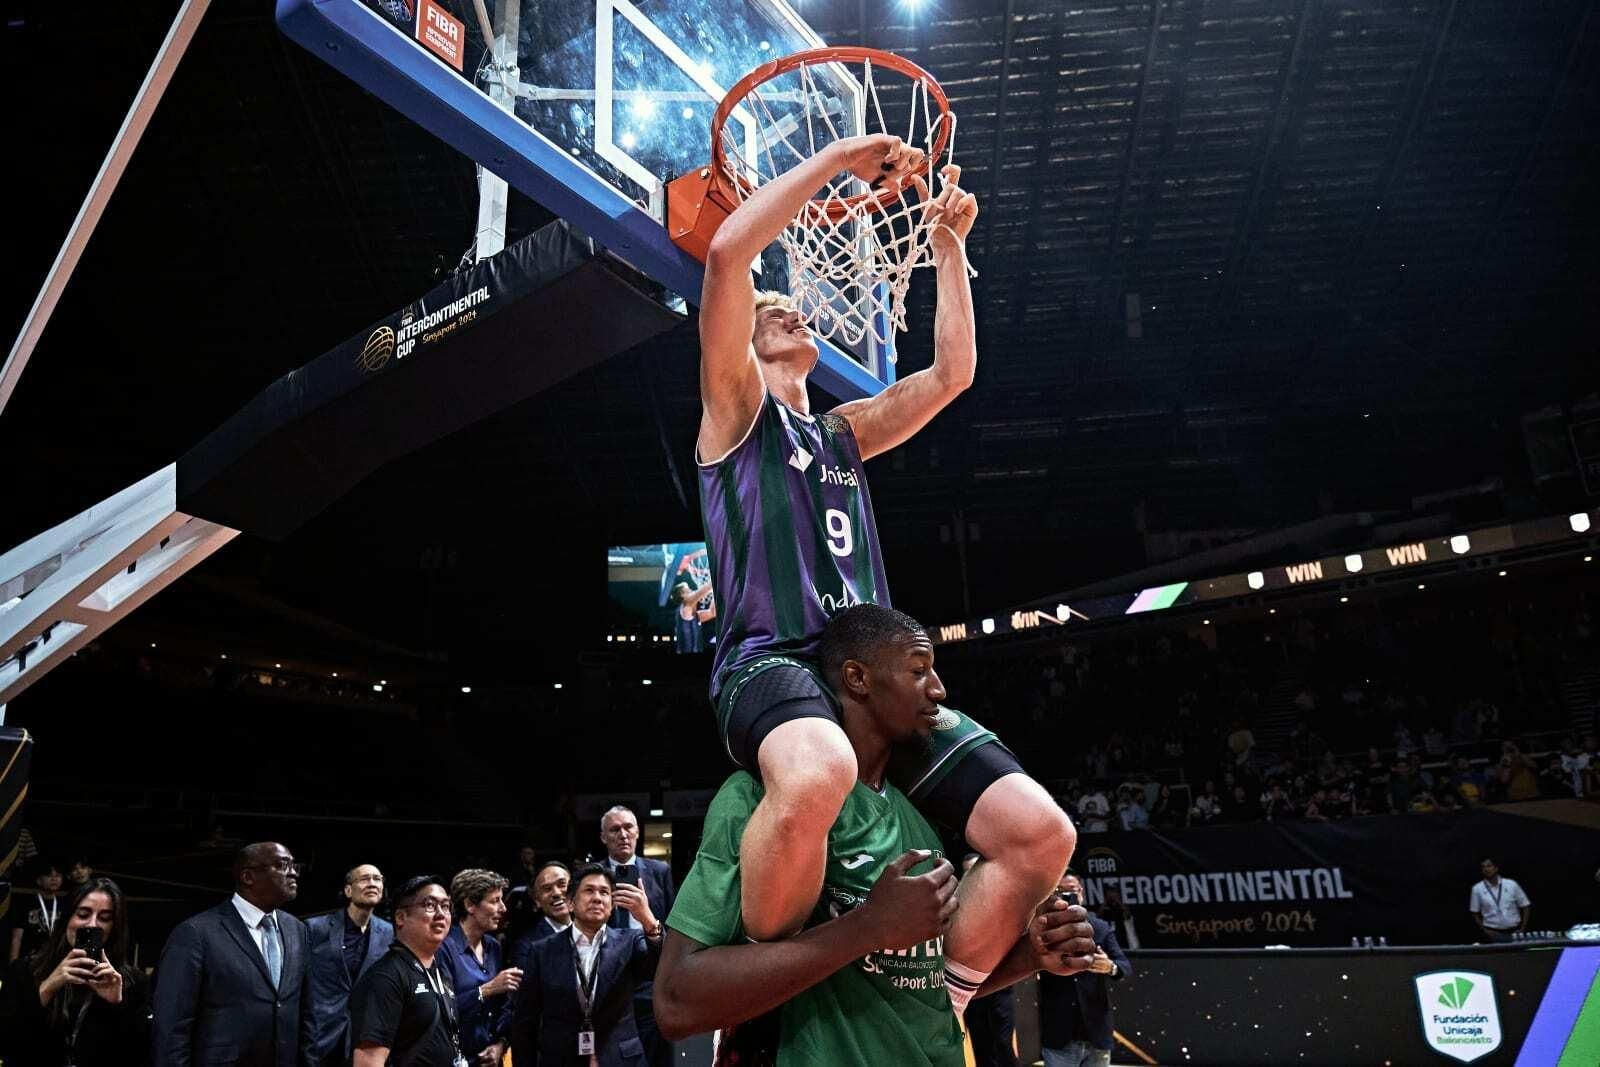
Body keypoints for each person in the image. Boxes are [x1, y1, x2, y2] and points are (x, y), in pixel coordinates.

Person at [694, 129, 1074, 1017]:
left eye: (795, 305)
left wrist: (948, 244)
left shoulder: (843, 433)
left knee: (1038, 834)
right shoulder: (735, 410)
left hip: (875, 679)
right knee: (821, 767)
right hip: (773, 661)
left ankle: (933, 1007)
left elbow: (952, 373)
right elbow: (723, 253)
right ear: (741, 341)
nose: (793, 311)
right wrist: (837, 164)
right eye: (773, 306)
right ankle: (775, 978)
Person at [655, 605, 1098, 1065]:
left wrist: (1028, 957)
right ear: (857, 678)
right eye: (918, 670)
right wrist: (866, 928)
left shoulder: (919, 818)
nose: (939, 690)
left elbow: (918, 986)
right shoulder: (757, 797)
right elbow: (675, 1003)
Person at [151, 841, 309, 1067]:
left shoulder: (297, 930)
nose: (293, 872)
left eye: (294, 865)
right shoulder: (195, 933)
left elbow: (305, 1011)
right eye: (282, 865)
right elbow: (171, 1025)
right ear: (248, 877)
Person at [511, 863, 663, 1066]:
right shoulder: (541, 951)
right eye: (589, 890)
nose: (597, 898)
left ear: (612, 905)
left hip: (621, 1059)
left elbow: (661, 968)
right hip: (561, 1058)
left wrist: (648, 920)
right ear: (571, 903)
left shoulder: (631, 941)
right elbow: (525, 1022)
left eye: (605, 892)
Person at [0, 876, 150, 1066]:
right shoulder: (23, 972)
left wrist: (116, 1007)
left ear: (114, 926)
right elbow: (7, 1044)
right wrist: (46, 989)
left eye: (104, 918)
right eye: (83, 914)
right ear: (67, 918)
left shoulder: (133, 982)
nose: (92, 925)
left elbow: (135, 1056)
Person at [350, 875, 465, 1067]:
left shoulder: (442, 974)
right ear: (401, 917)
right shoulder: (386, 976)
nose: (441, 914)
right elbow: (368, 1061)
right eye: (430, 905)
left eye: (445, 906)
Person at [598, 806, 676, 1067]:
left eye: (628, 827)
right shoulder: (592, 876)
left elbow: (672, 925)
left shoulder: (659, 870)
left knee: (656, 1051)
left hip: (651, 975)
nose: (623, 834)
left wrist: (646, 916)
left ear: (638, 831)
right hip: (606, 976)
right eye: (614, 829)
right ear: (603, 837)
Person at [302, 863, 395, 1067]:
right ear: (348, 890)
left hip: (366, 1039)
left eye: (377, 879)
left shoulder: (388, 932)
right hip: (321, 1036)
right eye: (364, 879)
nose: (372, 883)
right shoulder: (315, 928)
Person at [1038, 872, 1132, 1067]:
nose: (1067, 896)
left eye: (1072, 891)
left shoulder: (1100, 927)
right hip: (1058, 1033)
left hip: (1096, 1033)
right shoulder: (1042, 929)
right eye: (1061, 892)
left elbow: (1124, 966)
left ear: (1082, 893)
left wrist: (1110, 967)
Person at [438, 868, 522, 1065]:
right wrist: (487, 989)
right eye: (494, 901)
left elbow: (503, 1007)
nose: (503, 908)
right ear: (469, 905)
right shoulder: (443, 949)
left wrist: (501, 1044)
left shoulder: (493, 946)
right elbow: (440, 1012)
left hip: (491, 1058)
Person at [961, 858, 1017, 1067]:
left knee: (1003, 1045)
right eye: (967, 872)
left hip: (1000, 988)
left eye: (976, 870)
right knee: (980, 1047)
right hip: (970, 991)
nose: (972, 876)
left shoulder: (1005, 904)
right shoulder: (956, 907)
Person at [508, 862, 574, 971]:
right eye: (547, 889)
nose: (556, 893)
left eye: (562, 884)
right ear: (537, 900)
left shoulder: (595, 930)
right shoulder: (526, 947)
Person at [9, 857, 65, 963]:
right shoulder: (26, 903)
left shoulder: (65, 904)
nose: (54, 879)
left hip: (55, 960)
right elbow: (17, 937)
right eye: (49, 875)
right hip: (30, 959)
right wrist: (13, 963)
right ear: (39, 880)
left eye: (57, 875)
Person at [1469, 858, 1531, 943]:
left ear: (1496, 868)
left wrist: (1522, 928)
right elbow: (1474, 912)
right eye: (1483, 867)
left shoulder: (1511, 884)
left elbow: (1525, 905)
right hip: (1492, 933)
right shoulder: (1477, 889)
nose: (1486, 869)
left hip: (1515, 932)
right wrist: (1485, 931)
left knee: (1518, 956)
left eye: (1489, 866)